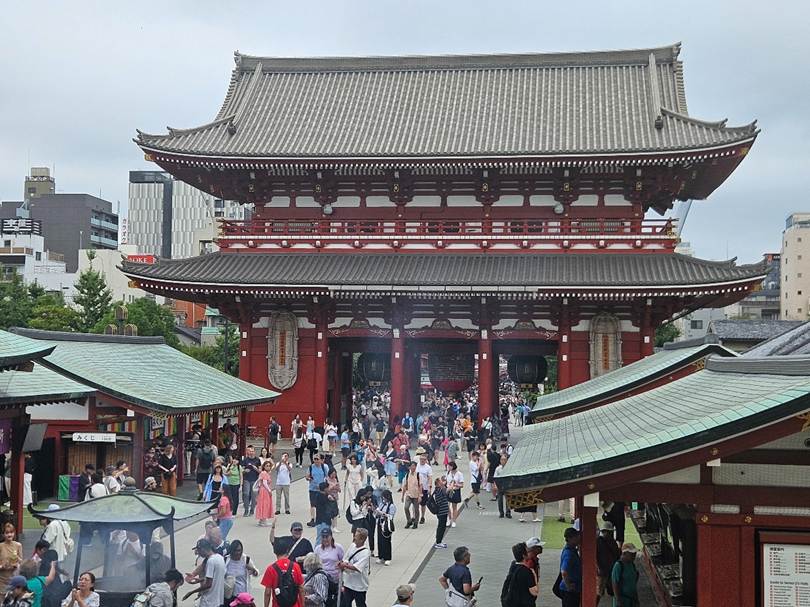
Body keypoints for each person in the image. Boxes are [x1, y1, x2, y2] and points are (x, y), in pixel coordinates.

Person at [261, 538, 305, 607]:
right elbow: (301, 589)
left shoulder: (271, 569)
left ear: (275, 551)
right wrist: (303, 605)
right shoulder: (296, 566)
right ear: (287, 550)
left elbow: (267, 593)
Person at [183, 539, 225, 607]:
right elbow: (216, 578)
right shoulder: (220, 558)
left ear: (202, 549)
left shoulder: (211, 561)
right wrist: (200, 579)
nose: (198, 553)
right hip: (218, 601)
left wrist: (191, 592)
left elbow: (208, 585)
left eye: (198, 551)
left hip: (208, 602)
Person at [337, 528, 369, 607]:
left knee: (360, 604)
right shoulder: (352, 546)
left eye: (356, 536)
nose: (354, 538)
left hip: (359, 586)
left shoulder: (365, 553)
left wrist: (345, 565)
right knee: (344, 604)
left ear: (362, 539)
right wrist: (342, 563)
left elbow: (357, 567)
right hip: (348, 583)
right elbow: (346, 558)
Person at [502, 542, 538, 607]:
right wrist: (534, 575)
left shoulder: (513, 565)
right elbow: (535, 592)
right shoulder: (526, 571)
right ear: (524, 555)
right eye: (528, 551)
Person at [312, 529, 342, 606]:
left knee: (334, 601)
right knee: (323, 599)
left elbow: (342, 561)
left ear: (331, 536)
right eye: (323, 537)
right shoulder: (318, 549)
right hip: (322, 579)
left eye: (327, 537)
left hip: (334, 580)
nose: (325, 539)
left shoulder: (338, 548)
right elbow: (314, 563)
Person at [597, 523, 621, 602]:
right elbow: (595, 556)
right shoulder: (598, 542)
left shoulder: (612, 542)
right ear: (604, 531)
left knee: (612, 590)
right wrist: (598, 567)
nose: (610, 533)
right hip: (602, 570)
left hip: (611, 570)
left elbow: (617, 555)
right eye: (609, 532)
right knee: (599, 592)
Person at [559, 527, 582, 607]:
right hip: (569, 591)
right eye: (576, 537)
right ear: (570, 538)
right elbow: (564, 571)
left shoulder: (572, 550)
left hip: (573, 589)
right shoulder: (569, 554)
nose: (578, 538)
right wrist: (568, 585)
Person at [305, 455, 329, 528]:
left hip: (321, 489)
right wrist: (309, 478)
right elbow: (307, 476)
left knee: (321, 504)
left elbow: (328, 476)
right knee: (313, 504)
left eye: (317, 459)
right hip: (313, 488)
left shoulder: (324, 467)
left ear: (320, 460)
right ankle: (313, 519)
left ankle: (322, 518)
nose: (316, 461)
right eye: (314, 459)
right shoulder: (311, 467)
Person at [374, 490, 396, 565]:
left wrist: (383, 514)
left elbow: (391, 516)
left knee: (386, 541)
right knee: (380, 541)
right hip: (380, 524)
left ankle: (387, 557)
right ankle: (381, 556)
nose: (383, 499)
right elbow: (377, 512)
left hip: (386, 525)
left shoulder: (391, 506)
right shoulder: (381, 504)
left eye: (384, 497)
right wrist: (376, 512)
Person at [241, 446, 262, 517]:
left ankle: (252, 510)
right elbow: (242, 470)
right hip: (246, 479)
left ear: (255, 452)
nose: (251, 452)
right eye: (250, 451)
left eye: (253, 451)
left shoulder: (257, 460)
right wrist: (245, 471)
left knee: (254, 496)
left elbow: (260, 471)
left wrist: (256, 469)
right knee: (246, 494)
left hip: (255, 479)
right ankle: (246, 510)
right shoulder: (245, 460)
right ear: (248, 452)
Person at [0, 524, 22, 589]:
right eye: (7, 533)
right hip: (2, 579)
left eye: (11, 532)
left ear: (14, 533)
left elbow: (21, 561)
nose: (9, 535)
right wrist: (2, 566)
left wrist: (16, 559)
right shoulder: (1, 546)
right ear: (3, 534)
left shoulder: (18, 545)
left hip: (14, 579)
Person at [431, 476, 450, 549]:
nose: (442, 482)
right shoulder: (439, 490)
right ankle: (438, 542)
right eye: (441, 481)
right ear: (438, 483)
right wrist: (451, 484)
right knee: (441, 527)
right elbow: (448, 490)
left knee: (442, 527)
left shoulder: (438, 490)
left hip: (442, 512)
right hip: (441, 512)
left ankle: (439, 541)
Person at [401, 461, 421, 529]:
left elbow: (420, 486)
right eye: (412, 466)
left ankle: (416, 522)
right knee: (406, 507)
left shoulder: (418, 475)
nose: (413, 467)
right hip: (409, 494)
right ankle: (409, 521)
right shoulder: (407, 475)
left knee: (416, 509)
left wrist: (420, 496)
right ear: (409, 467)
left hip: (416, 495)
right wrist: (402, 496)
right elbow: (404, 486)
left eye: (414, 466)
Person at [256, 460, 275, 527]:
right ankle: (264, 521)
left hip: (262, 490)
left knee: (262, 504)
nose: (268, 467)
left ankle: (261, 520)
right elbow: (265, 483)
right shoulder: (264, 473)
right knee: (265, 504)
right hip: (264, 491)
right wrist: (269, 490)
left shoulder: (263, 473)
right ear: (264, 466)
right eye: (267, 466)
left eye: (269, 466)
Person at [445, 462, 463, 527]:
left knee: (454, 507)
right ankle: (449, 518)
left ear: (452, 466)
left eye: (449, 466)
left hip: (455, 491)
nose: (448, 468)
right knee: (447, 506)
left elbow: (462, 485)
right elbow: (446, 482)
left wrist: (456, 484)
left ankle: (454, 520)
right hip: (448, 490)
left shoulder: (459, 474)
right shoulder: (448, 473)